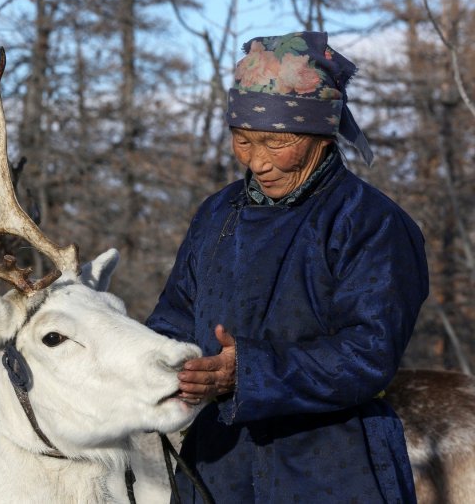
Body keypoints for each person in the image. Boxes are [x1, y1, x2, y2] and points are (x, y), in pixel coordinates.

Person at [146, 31, 428, 503]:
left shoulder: (371, 222)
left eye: (276, 143)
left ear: (321, 134)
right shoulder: (218, 214)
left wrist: (247, 373)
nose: (257, 162)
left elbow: (368, 354)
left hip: (335, 469)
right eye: (242, 140)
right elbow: (173, 319)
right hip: (216, 469)